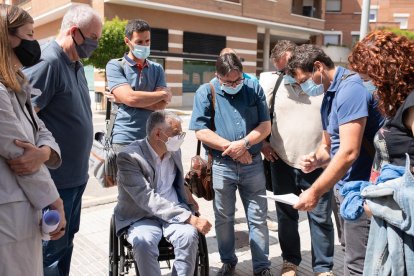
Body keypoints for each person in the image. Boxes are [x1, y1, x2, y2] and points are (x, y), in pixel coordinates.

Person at [287, 44, 384, 275]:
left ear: (318, 67)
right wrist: (316, 160)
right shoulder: (329, 95)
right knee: (349, 251)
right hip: (343, 189)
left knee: (358, 265)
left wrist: (314, 192)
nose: (303, 88)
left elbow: (349, 152)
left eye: (302, 81)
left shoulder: (350, 90)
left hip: (362, 189)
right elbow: (329, 147)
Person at [22, 4, 102, 275]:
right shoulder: (48, 62)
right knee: (50, 255)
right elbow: (25, 118)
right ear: (74, 32)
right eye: (93, 37)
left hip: (75, 179)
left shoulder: (75, 63)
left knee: (65, 246)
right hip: (55, 184)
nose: (96, 44)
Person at [190, 53, 272, 276]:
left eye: (238, 81)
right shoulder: (207, 91)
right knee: (224, 218)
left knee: (257, 217)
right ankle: (228, 262)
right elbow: (201, 131)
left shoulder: (253, 87)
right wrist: (235, 150)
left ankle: (262, 267)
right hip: (221, 166)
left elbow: (265, 125)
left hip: (253, 165)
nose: (235, 85)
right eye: (229, 82)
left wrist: (244, 144)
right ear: (218, 76)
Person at [0, 4, 66, 275]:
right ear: (8, 38)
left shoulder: (17, 85)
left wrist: (43, 152)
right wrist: (55, 201)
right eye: (29, 35)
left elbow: (42, 131)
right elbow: (18, 154)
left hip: (23, 210)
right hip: (9, 213)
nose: (34, 42)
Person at [260, 40, 334, 276]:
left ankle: (323, 268)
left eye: (290, 68)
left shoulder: (321, 86)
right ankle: (290, 262)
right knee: (286, 216)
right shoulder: (273, 83)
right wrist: (263, 143)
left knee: (320, 217)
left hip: (318, 164)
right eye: (282, 70)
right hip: (282, 161)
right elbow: (259, 116)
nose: (288, 74)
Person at [348, 30, 414, 275]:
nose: (371, 85)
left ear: (388, 71)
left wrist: (382, 203)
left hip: (404, 224)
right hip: (392, 218)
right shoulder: (400, 101)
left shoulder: (411, 103)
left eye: (372, 78)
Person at [114, 110, 212, 275]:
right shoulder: (129, 157)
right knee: (143, 242)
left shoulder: (174, 151)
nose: (180, 137)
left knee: (188, 236)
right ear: (158, 133)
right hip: (142, 215)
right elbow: (146, 198)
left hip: (174, 209)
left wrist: (188, 195)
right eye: (176, 134)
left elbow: (176, 180)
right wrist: (189, 218)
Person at [106, 19, 172, 151]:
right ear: (127, 41)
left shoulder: (157, 68)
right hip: (124, 139)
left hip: (152, 138)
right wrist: (163, 94)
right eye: (139, 42)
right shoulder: (115, 65)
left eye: (147, 41)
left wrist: (125, 100)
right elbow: (131, 98)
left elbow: (160, 105)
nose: (145, 45)